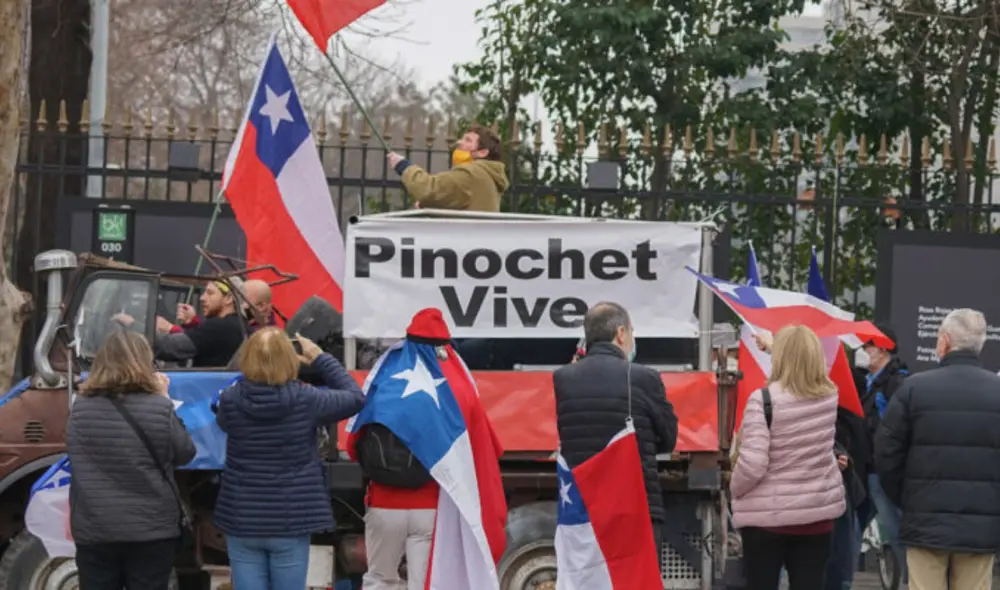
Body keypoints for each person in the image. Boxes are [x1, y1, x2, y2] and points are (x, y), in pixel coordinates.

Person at [213, 328, 365, 590]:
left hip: (242, 516)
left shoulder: (229, 400)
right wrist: (320, 358)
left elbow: (224, 423)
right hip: (291, 517)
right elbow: (355, 397)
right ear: (289, 360)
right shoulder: (306, 400)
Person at [876, 308, 1000, 590]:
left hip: (925, 525)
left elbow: (886, 454)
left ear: (944, 341)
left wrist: (908, 498)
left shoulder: (914, 389)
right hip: (980, 530)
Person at [67, 331, 197, 590]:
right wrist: (164, 399)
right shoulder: (159, 407)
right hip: (151, 529)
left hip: (95, 527)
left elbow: (75, 455)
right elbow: (185, 453)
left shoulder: (79, 408)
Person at [553, 302, 677, 561]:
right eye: (631, 332)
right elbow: (668, 438)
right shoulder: (644, 377)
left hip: (584, 507)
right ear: (621, 333)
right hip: (634, 506)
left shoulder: (563, 378)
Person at [732, 325, 845, 590]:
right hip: (816, 517)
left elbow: (753, 465)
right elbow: (801, 363)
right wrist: (775, 345)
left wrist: (734, 489)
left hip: (766, 520)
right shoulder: (829, 396)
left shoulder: (763, 400)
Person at [859, 323, 909, 578]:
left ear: (882, 349)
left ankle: (915, 582)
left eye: (867, 345)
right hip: (866, 470)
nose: (863, 349)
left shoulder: (896, 383)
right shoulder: (869, 382)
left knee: (898, 532)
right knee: (851, 531)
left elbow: (899, 430)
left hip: (883, 473)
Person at [386, 125, 510, 212]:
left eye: (468, 140)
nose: (459, 142)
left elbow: (430, 190)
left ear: (482, 152)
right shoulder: (487, 175)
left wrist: (403, 166)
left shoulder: (471, 173)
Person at [148, 280, 245, 367]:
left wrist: (142, 328)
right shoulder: (242, 325)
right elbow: (207, 346)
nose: (202, 298)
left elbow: (168, 348)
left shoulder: (220, 327)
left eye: (210, 293)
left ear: (229, 299)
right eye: (204, 293)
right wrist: (192, 326)